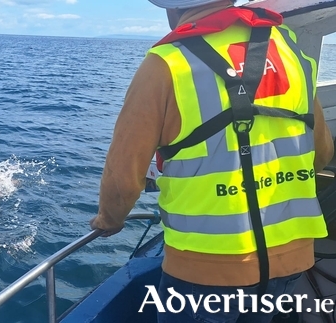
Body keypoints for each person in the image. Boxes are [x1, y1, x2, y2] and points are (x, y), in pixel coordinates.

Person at [89, 0, 334, 322]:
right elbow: (322, 154)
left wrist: (109, 220)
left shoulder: (166, 63)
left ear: (172, 9)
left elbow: (122, 182)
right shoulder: (288, 48)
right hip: (292, 258)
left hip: (205, 270)